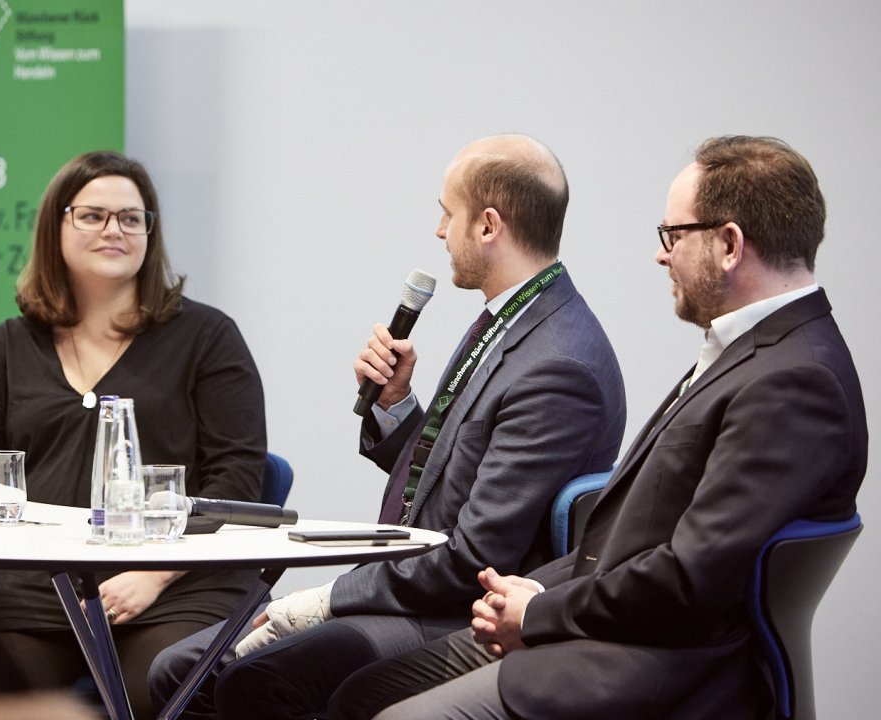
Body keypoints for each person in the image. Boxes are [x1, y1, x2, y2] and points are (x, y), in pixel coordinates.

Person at [327, 135, 869, 720]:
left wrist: (539, 613)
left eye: (673, 236)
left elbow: (690, 578)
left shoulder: (794, 381)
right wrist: (536, 594)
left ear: (729, 244)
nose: (662, 256)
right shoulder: (754, 352)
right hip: (602, 623)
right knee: (360, 692)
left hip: (653, 665)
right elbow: (631, 538)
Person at [148, 134, 626, 719]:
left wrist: (326, 600)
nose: (438, 231)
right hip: (412, 585)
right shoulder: (514, 321)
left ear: (488, 225)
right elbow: (451, 475)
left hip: (457, 611)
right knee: (179, 668)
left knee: (252, 678)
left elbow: (472, 558)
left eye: (447, 213)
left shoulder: (557, 364)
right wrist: (396, 405)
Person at [0, 150, 267, 719]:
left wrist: (153, 576)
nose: (115, 229)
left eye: (132, 218)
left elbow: (240, 479)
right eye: (93, 215)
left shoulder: (208, 338)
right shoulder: (8, 346)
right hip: (31, 581)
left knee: (163, 687)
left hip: (177, 579)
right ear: (57, 226)